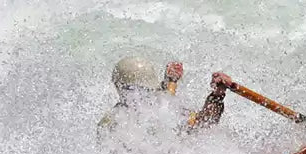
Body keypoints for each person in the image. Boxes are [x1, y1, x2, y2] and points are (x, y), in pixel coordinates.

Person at [98, 55, 233, 134]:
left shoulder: (109, 121)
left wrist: (217, 94)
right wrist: (217, 96)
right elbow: (203, 125)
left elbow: (203, 123)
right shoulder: (113, 123)